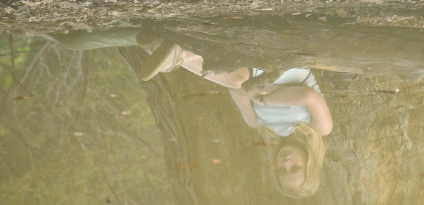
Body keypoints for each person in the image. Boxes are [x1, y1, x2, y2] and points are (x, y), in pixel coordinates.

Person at [139, 41, 332, 198]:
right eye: (295, 168)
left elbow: (238, 93)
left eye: (282, 170)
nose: (286, 162)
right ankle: (177, 55)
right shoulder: (319, 129)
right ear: (310, 163)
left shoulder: (259, 126)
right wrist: (264, 98)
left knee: (236, 80)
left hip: (256, 71)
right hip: (288, 64)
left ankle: (167, 50)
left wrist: (267, 92)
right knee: (238, 79)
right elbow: (309, 96)